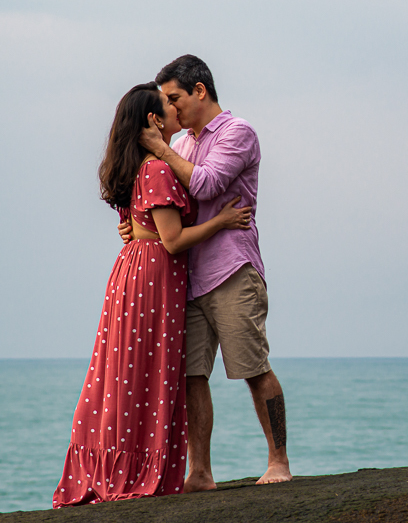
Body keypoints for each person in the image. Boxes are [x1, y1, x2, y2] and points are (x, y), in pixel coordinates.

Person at [53, 82, 252, 507]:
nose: (176, 109)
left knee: (123, 375)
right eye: (167, 104)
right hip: (153, 277)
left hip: (134, 271)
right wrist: (222, 222)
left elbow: (143, 224)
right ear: (153, 119)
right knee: (144, 374)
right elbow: (173, 240)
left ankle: (113, 465)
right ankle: (134, 470)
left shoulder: (143, 165)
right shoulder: (158, 168)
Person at [122, 54, 292, 490]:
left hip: (232, 269)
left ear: (200, 91)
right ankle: (200, 471)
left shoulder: (237, 132)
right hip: (188, 276)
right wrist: (137, 227)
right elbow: (169, 206)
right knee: (191, 375)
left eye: (174, 98)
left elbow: (206, 184)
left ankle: (278, 461)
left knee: (253, 367)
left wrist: (160, 148)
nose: (169, 109)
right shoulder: (182, 146)